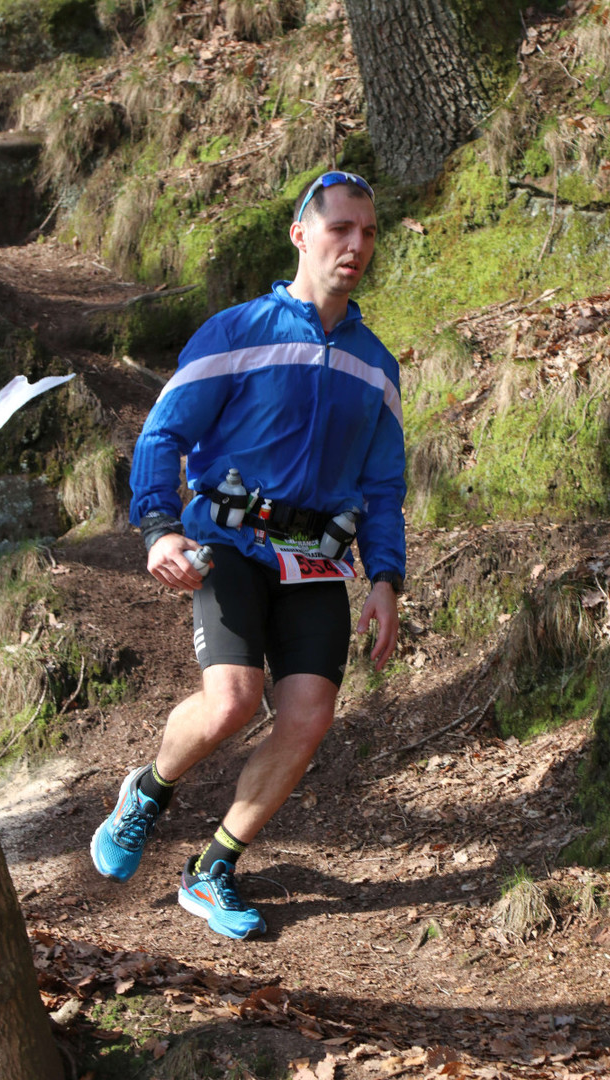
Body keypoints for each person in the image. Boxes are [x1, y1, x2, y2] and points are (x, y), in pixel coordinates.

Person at [90, 171, 406, 940]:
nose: (356, 245)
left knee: (309, 716)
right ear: (301, 234)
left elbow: (383, 485)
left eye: (368, 232)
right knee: (232, 701)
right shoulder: (238, 331)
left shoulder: (376, 364)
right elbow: (163, 432)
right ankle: (149, 791)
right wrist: (159, 526)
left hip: (316, 561)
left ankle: (213, 868)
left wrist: (386, 578)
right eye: (340, 228)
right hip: (230, 543)